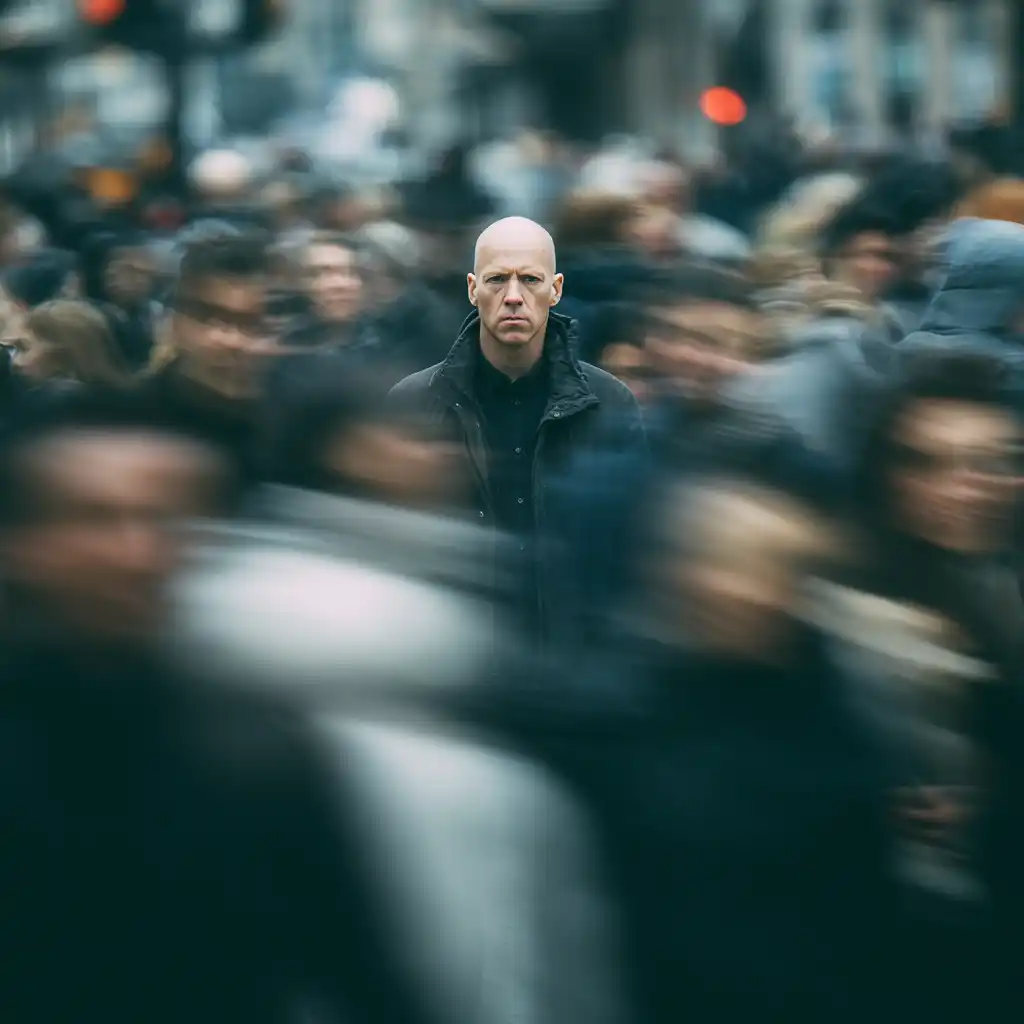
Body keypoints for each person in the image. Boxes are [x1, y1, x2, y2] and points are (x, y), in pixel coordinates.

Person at [0, 388, 441, 1024]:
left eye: (165, 521)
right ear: (23, 542)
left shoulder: (260, 755)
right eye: (95, 518)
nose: (137, 553)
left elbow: (365, 978)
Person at [388, 216, 646, 639]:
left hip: (571, 649)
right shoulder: (416, 401)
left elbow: (628, 542)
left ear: (556, 290)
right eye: (496, 280)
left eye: (529, 279)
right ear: (473, 289)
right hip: (453, 640)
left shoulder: (609, 401)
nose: (513, 296)